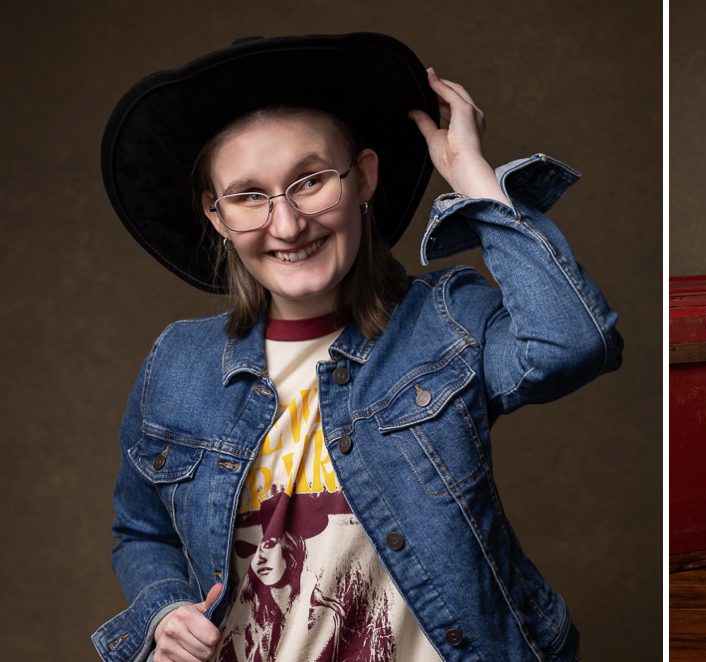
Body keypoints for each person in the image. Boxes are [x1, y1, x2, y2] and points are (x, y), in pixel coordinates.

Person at [93, 33, 620, 662]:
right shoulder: (176, 366)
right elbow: (140, 531)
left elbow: (574, 343)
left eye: (310, 181)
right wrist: (163, 612)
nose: (287, 225)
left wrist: (477, 184)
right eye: (249, 196)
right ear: (217, 215)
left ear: (364, 176)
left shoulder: (445, 319)